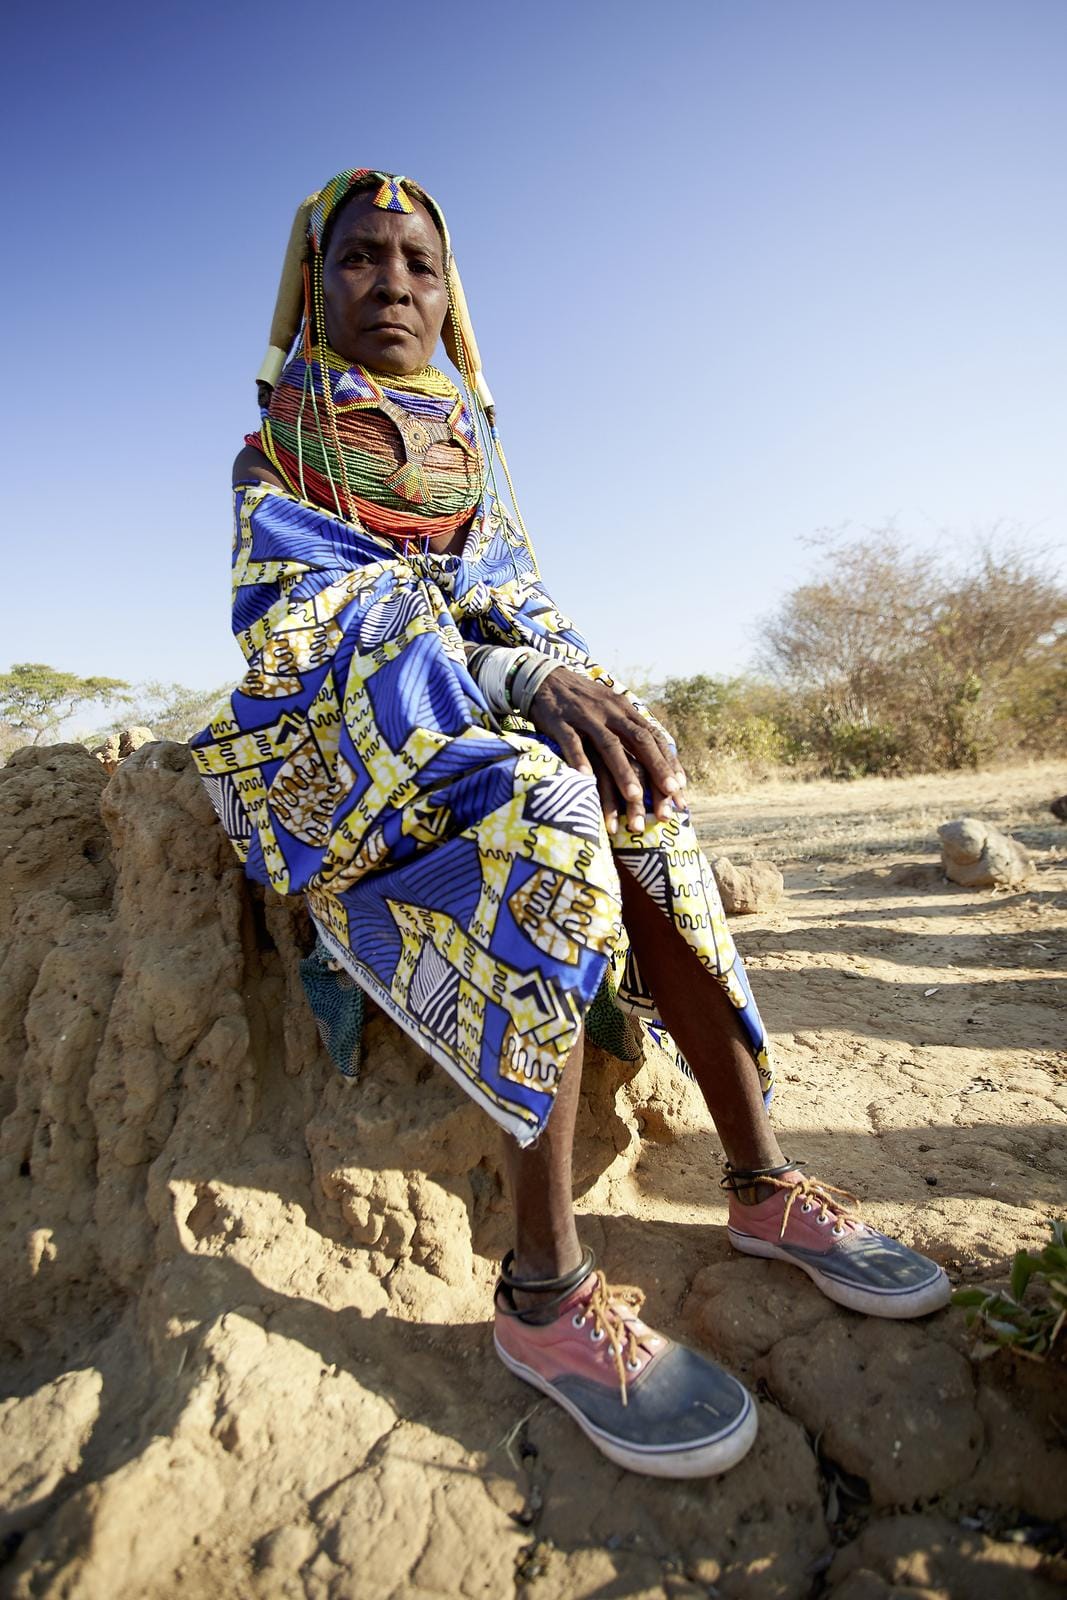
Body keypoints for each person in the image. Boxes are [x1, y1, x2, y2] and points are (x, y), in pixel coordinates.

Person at [192, 167, 949, 1481]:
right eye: (363, 260)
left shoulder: (470, 453)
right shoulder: (279, 452)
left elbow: (526, 616)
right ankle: (543, 1295)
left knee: (641, 795)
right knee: (547, 802)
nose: (394, 286)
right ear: (316, 285)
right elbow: (298, 632)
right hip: (336, 738)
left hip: (474, 713)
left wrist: (552, 679)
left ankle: (763, 1189)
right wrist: (504, 681)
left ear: (451, 293)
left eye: (420, 265)